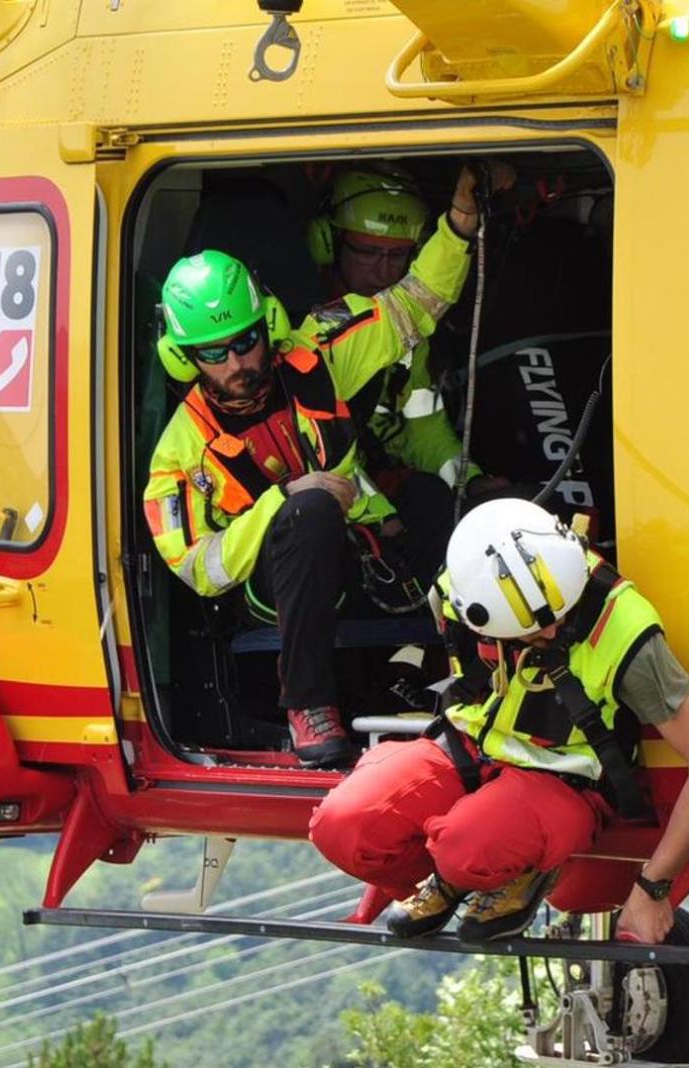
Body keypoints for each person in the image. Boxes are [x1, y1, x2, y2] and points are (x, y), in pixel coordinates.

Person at [141, 163, 503, 767]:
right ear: (184, 358)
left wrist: (461, 224)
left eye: (246, 340)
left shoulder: (319, 353)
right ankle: (309, 706)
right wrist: (283, 502)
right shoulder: (178, 455)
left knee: (436, 502)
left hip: (364, 554)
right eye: (214, 353)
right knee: (307, 511)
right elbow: (199, 568)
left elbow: (416, 305)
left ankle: (479, 676)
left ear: (268, 325)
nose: (237, 361)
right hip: (270, 588)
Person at [307, 499, 689, 944]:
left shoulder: (624, 626)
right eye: (532, 630)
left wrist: (653, 888)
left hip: (562, 778)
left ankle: (504, 869)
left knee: (467, 847)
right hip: (469, 745)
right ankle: (456, 877)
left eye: (560, 616)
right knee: (343, 828)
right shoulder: (456, 592)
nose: (552, 633)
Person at [306, 164, 512, 543]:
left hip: (387, 491)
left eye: (398, 255)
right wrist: (379, 514)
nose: (383, 270)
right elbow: (316, 457)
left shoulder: (405, 333)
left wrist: (469, 480)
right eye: (368, 252)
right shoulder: (308, 336)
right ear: (328, 242)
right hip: (341, 513)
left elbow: (422, 425)